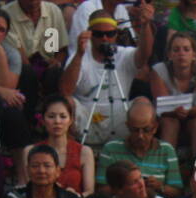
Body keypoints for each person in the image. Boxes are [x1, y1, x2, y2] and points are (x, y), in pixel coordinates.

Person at [60, 8, 155, 148]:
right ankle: (72, 149)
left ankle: (140, 149)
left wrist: (146, 25)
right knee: (66, 103)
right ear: (90, 34)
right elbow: (65, 90)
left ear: (116, 34)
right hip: (87, 117)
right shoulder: (79, 57)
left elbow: (144, 55)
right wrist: (79, 54)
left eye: (110, 34)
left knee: (142, 102)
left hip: (120, 118)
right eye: (99, 34)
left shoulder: (124, 54)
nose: (105, 38)